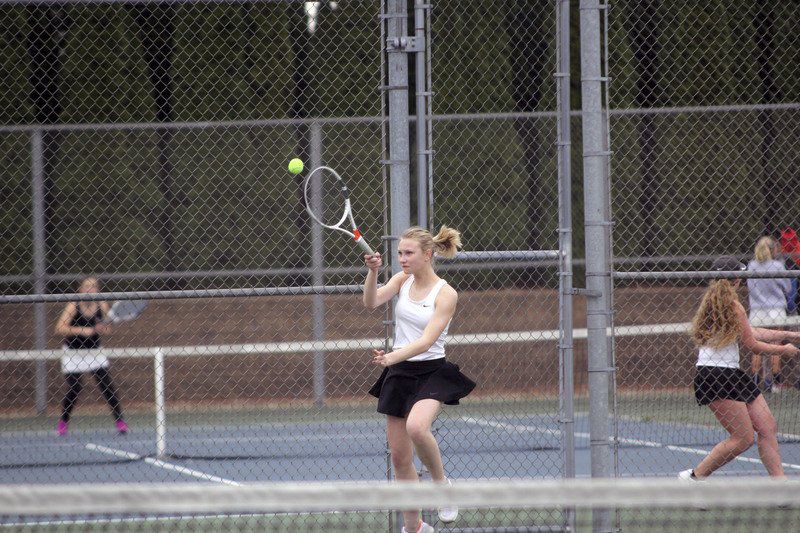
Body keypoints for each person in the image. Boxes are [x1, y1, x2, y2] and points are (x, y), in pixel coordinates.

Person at [363, 226, 476, 533]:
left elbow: (427, 341)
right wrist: (373, 272)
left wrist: (390, 357)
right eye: (400, 253)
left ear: (428, 255)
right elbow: (371, 302)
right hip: (400, 374)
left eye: (409, 253)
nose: (402, 259)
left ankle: (442, 486)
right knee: (400, 459)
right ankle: (415, 528)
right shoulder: (402, 280)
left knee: (417, 426)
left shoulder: (446, 293)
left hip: (431, 372)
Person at [679, 256, 800, 481]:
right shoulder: (732, 306)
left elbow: (750, 332)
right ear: (734, 279)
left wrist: (788, 334)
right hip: (715, 375)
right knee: (742, 438)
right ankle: (693, 478)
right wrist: (784, 350)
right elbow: (752, 344)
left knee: (767, 426)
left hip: (732, 373)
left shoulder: (715, 302)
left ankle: (780, 485)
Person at [54, 276, 128, 436]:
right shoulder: (74, 305)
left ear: (98, 289)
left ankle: (120, 422)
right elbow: (59, 327)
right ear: (80, 289)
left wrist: (101, 328)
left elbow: (108, 329)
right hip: (73, 353)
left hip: (95, 352)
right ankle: (63, 422)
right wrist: (82, 330)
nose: (90, 289)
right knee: (74, 388)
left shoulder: (101, 303)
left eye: (93, 286)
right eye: (87, 286)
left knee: (107, 387)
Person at [747, 236, 792, 392]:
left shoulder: (751, 266)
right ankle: (773, 381)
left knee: (756, 346)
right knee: (775, 344)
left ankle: (754, 380)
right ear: (773, 249)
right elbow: (787, 288)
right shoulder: (777, 266)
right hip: (775, 309)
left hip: (757, 310)